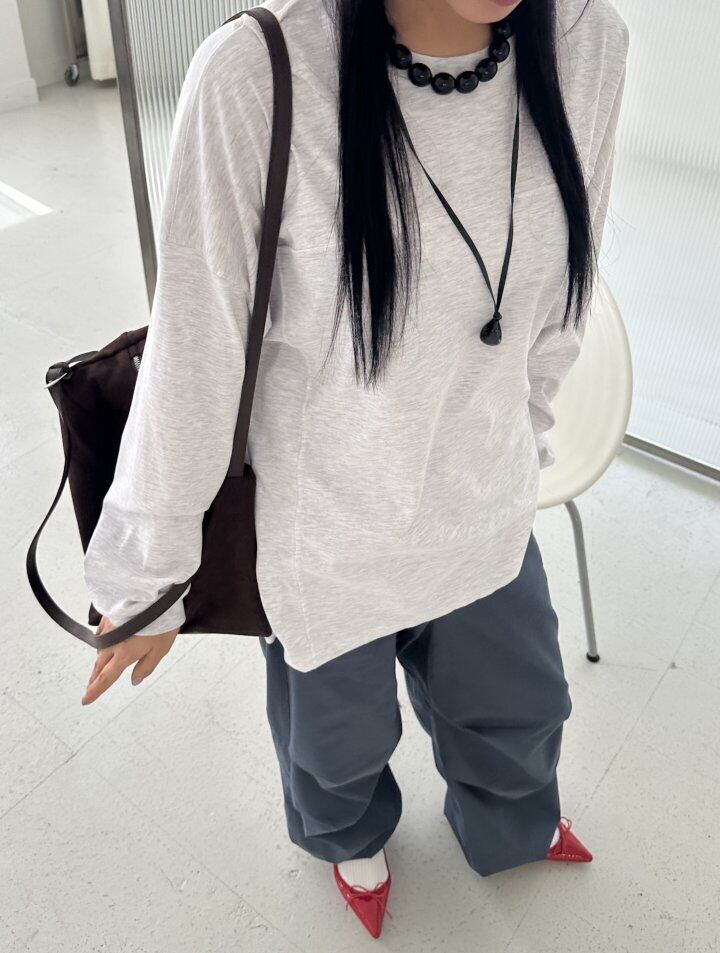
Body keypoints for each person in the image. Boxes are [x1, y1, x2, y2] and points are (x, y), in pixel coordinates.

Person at [81, 0, 629, 939]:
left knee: (521, 702)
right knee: (335, 741)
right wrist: (149, 575)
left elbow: (560, 302)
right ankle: (350, 838)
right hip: (326, 527)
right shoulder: (260, 70)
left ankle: (514, 822)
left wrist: (518, 439)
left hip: (483, 500)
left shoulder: (587, 44)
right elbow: (196, 350)